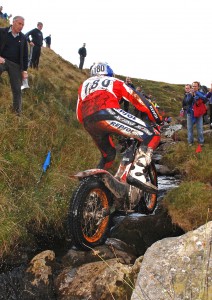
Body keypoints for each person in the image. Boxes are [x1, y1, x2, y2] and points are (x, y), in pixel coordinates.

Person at [76, 62, 163, 192]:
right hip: (108, 112)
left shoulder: (84, 85)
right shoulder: (114, 81)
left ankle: (96, 187)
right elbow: (138, 99)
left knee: (109, 154)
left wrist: (90, 123)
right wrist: (157, 119)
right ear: (109, 72)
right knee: (152, 134)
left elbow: (78, 113)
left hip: (88, 120)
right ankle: (137, 173)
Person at [0, 16, 28, 114]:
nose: (21, 26)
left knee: (17, 89)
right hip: (2, 60)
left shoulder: (23, 38)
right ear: (13, 22)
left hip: (16, 65)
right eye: (19, 24)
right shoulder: (2, 31)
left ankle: (17, 113)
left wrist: (24, 70)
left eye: (23, 25)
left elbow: (25, 55)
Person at [184, 81, 208, 146]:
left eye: (195, 86)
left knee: (200, 128)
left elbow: (204, 98)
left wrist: (196, 93)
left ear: (198, 87)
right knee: (190, 128)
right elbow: (187, 102)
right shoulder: (188, 94)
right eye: (193, 86)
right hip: (190, 114)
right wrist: (191, 96)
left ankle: (201, 142)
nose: (194, 87)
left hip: (199, 114)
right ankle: (190, 142)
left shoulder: (200, 93)